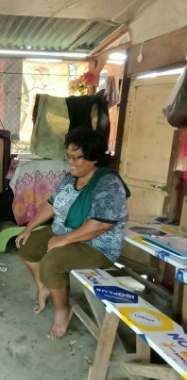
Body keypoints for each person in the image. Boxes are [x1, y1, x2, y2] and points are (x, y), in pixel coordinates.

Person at [16, 127, 129, 339]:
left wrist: (63, 240)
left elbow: (101, 225)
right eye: (68, 156)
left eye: (76, 157)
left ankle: (62, 311)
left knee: (52, 262)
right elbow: (51, 205)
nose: (70, 161)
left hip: (96, 245)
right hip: (62, 232)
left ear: (94, 157)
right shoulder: (70, 178)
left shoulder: (109, 184)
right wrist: (29, 227)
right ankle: (44, 287)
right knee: (25, 244)